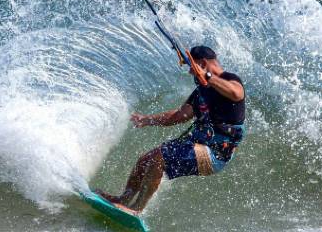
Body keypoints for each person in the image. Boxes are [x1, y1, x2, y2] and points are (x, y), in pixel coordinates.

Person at [96, 46, 246, 213]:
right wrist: (148, 119)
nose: (191, 72)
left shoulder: (230, 80)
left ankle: (136, 209)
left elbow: (236, 93)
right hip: (199, 144)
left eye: (193, 66)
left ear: (203, 64)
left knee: (161, 157)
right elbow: (180, 115)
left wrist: (207, 76)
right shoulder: (201, 92)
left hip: (216, 153)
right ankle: (123, 199)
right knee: (146, 159)